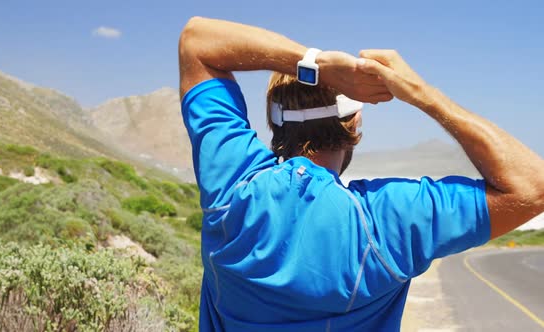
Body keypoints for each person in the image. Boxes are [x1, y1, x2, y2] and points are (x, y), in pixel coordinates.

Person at [178, 17, 544, 331]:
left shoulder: (232, 191)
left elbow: (197, 40)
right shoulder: (389, 220)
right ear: (353, 121)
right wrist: (421, 94)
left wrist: (315, 64)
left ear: (275, 122)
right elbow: (532, 187)